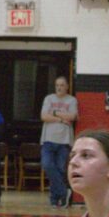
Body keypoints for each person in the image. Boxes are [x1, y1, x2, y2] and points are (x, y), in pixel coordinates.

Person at [40, 75, 78, 207]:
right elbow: (44, 116)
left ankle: (55, 200)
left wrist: (54, 113)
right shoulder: (48, 98)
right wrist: (61, 119)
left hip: (65, 140)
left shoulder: (72, 100)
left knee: (61, 169)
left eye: (62, 85)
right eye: (57, 85)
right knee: (47, 165)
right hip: (48, 139)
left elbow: (72, 116)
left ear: (67, 87)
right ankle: (64, 192)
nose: (59, 88)